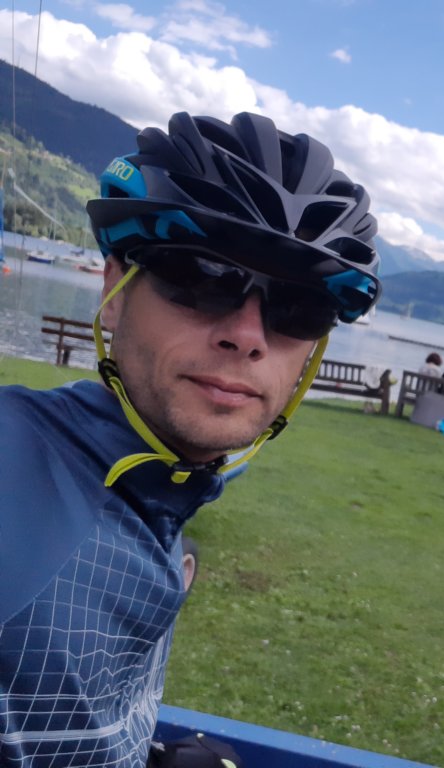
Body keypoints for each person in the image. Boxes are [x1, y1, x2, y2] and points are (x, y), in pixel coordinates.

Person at [0, 111, 381, 767]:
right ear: (114, 290)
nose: (248, 335)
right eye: (202, 276)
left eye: (300, 307)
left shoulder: (167, 486)